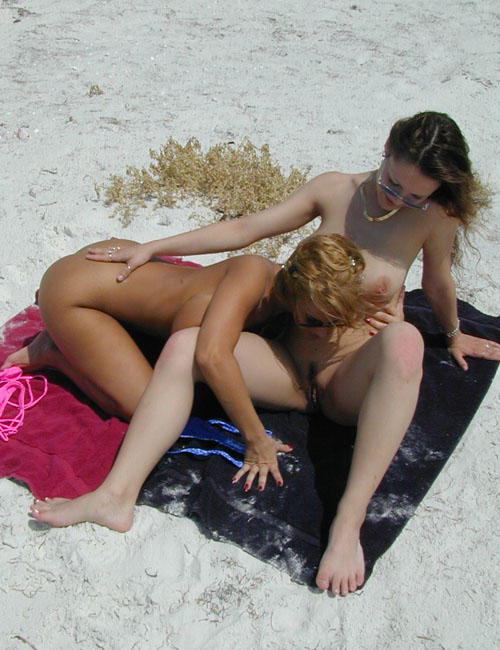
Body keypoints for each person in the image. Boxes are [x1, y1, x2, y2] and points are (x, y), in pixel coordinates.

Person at [87, 111, 500, 368]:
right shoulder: (335, 189)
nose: (397, 199)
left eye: (415, 196)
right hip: (283, 327)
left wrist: (451, 334)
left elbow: (436, 281)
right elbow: (246, 229)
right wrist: (154, 246)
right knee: (182, 327)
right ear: (387, 146)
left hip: (344, 355)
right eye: (392, 183)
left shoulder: (435, 217)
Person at [2, 233, 371, 491]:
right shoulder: (253, 277)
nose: (324, 331)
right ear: (297, 292)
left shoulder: (285, 293)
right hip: (72, 294)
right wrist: (255, 438)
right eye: (318, 322)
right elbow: (211, 356)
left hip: (113, 277)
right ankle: (53, 352)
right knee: (143, 405)